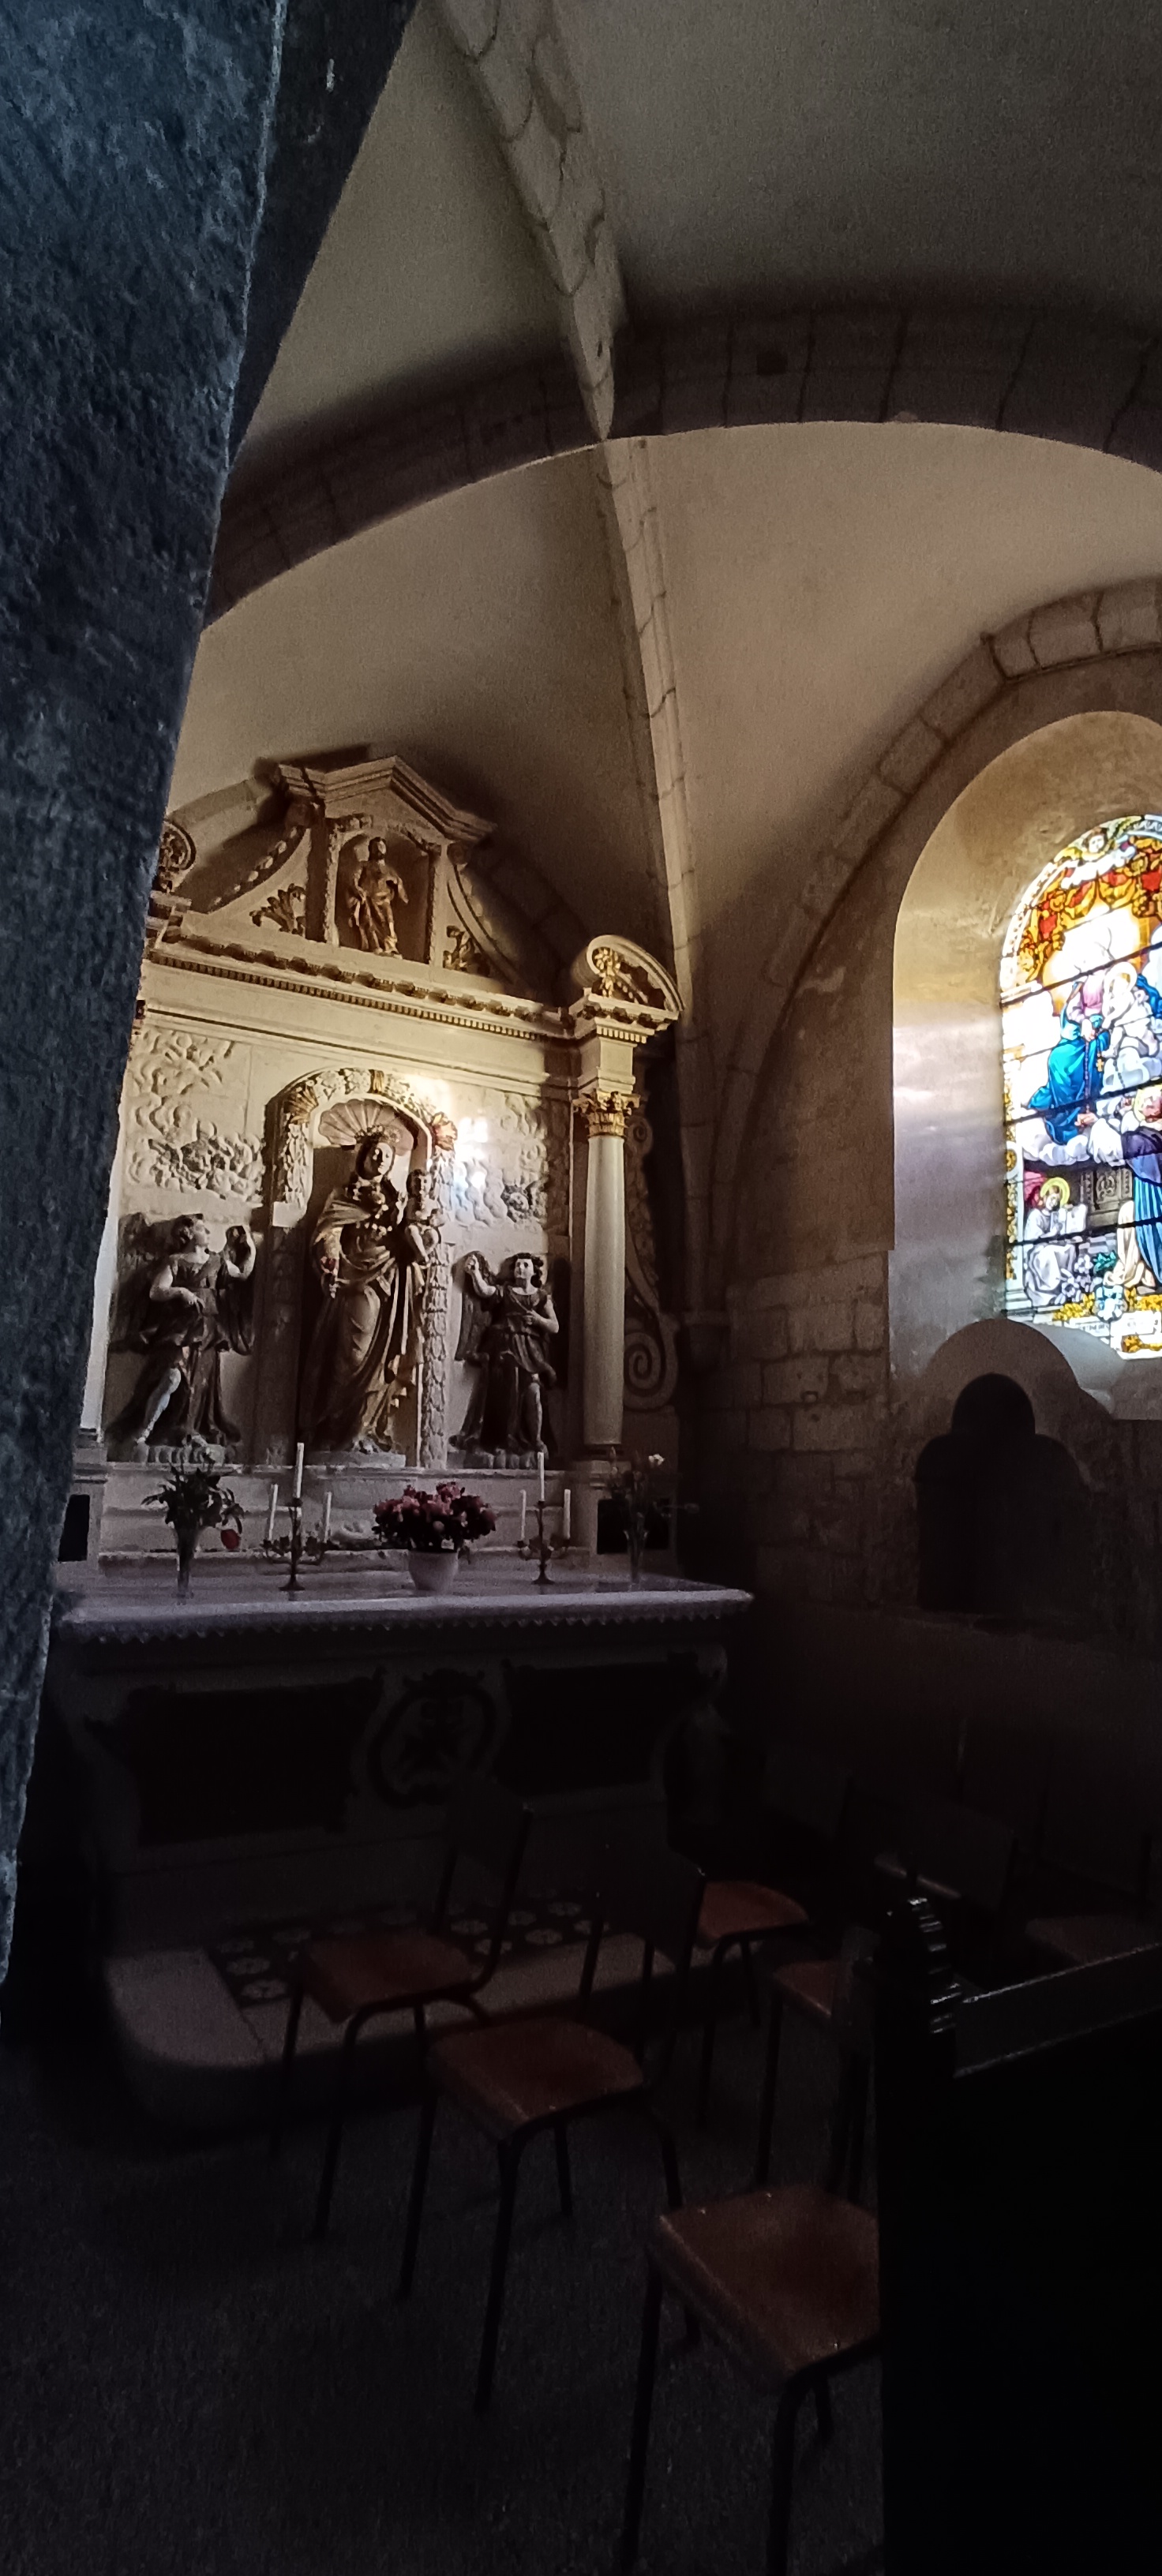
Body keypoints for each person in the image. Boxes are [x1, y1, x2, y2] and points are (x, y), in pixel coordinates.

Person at [298, 1133, 430, 1451]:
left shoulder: (397, 1200)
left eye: (387, 1155)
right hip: (355, 1280)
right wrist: (330, 1261)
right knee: (353, 1354)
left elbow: (411, 1236)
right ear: (364, 1156)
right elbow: (329, 1232)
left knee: (384, 1360)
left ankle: (364, 1428)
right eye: (376, 1153)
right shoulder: (344, 1195)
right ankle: (335, 1427)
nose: (381, 1159)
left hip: (390, 1282)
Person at [108, 1214, 255, 1451]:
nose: (208, 1233)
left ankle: (187, 1430)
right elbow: (157, 1290)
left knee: (197, 1387)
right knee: (172, 1378)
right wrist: (180, 1292)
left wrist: (251, 1246)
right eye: (202, 1229)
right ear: (188, 1233)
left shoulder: (217, 1261)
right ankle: (144, 1431)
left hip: (207, 1334)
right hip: (180, 1330)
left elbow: (243, 1274)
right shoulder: (175, 1261)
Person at [452, 1251, 559, 1460]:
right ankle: (507, 1439)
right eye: (517, 1265)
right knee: (508, 1391)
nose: (520, 1268)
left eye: (525, 1265)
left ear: (534, 1271)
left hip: (531, 1351)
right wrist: (475, 1273)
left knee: (534, 1391)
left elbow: (554, 1326)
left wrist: (537, 1319)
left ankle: (536, 1439)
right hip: (506, 1348)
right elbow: (485, 1291)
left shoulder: (540, 1297)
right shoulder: (507, 1291)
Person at [347, 838, 407, 954]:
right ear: (371, 850)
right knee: (369, 920)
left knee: (388, 922)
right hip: (368, 899)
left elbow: (400, 888)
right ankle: (374, 945)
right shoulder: (364, 865)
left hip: (384, 901)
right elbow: (354, 878)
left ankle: (390, 946)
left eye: (382, 847)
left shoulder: (389, 870)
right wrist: (358, 889)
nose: (379, 849)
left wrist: (396, 883)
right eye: (376, 847)